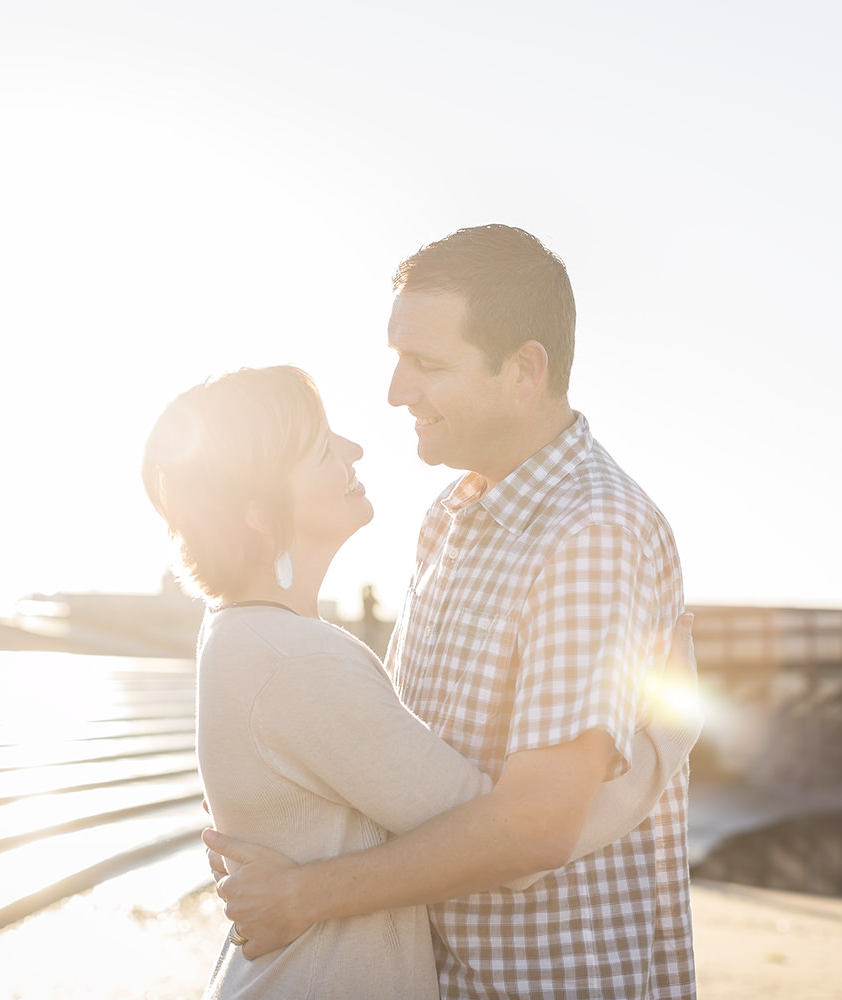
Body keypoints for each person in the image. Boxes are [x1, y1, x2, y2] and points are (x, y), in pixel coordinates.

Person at [208, 225, 696, 999]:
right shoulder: (450, 516)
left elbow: (536, 827)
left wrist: (305, 892)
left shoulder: (590, 534)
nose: (397, 392)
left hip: (540, 981)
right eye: (398, 359)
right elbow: (398, 773)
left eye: (428, 365)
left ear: (524, 371)